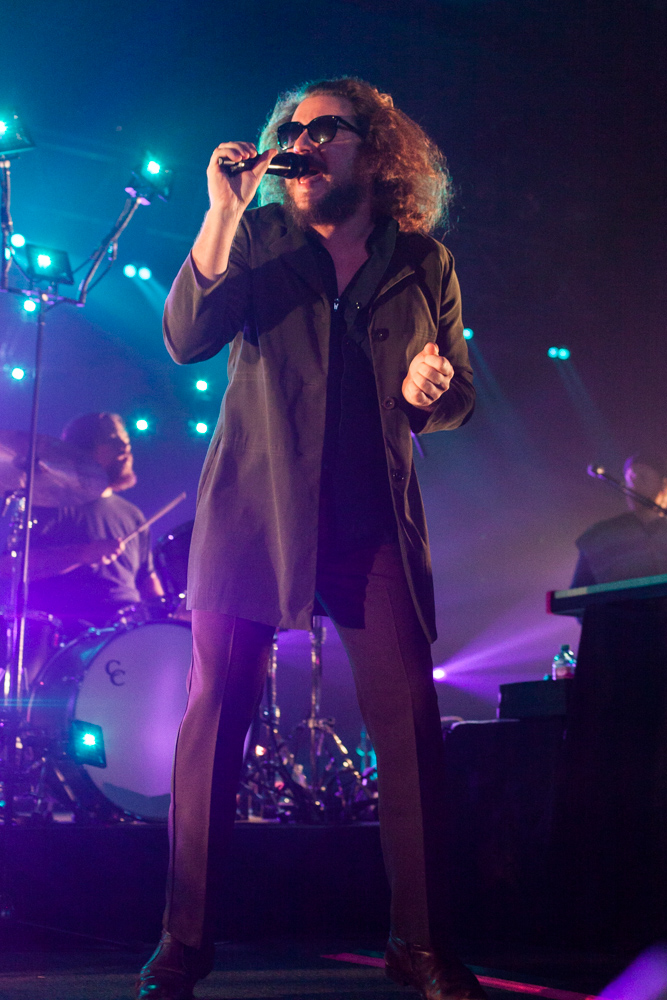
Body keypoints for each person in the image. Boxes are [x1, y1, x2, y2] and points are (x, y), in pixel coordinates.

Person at [137, 78, 482, 1000]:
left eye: (321, 129)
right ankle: (184, 942)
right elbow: (184, 336)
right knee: (215, 721)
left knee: (409, 724)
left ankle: (421, 946)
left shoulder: (423, 261)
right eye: (288, 128)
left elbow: (456, 397)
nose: (298, 142)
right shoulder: (253, 238)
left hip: (370, 521)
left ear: (373, 150)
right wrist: (220, 210)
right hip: (254, 511)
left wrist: (431, 392)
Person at [1, 412, 164, 634]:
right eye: (112, 439)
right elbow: (11, 566)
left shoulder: (133, 515)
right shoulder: (48, 505)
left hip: (130, 630)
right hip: (70, 632)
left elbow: (147, 579)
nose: (125, 446)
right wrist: (81, 554)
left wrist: (168, 614)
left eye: (125, 439)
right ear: (83, 450)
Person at [571, 453, 667, 588]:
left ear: (664, 484)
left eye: (643, 478)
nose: (635, 485)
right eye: (630, 480)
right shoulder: (598, 536)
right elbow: (577, 598)